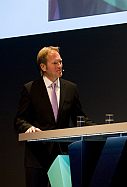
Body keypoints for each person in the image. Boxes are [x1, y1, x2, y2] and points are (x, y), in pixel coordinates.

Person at [14, 46, 89, 187]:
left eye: (60, 62)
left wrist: (100, 128)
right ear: (43, 66)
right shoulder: (30, 89)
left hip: (63, 154)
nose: (60, 65)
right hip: (37, 156)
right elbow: (19, 120)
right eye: (55, 63)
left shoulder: (71, 88)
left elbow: (80, 118)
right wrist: (28, 127)